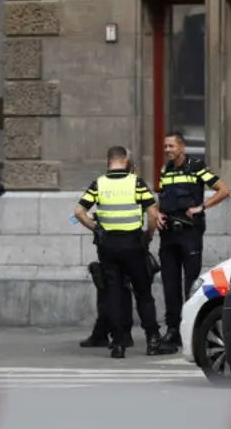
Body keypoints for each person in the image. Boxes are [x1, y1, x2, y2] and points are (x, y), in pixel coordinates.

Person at [73, 145, 175, 358]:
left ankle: (118, 344)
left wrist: (96, 228)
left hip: (108, 247)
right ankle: (153, 341)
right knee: (143, 293)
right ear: (126, 161)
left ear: (108, 161)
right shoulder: (136, 182)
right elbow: (152, 212)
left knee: (115, 294)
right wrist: (148, 235)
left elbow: (79, 211)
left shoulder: (99, 184)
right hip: (133, 244)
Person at [156, 132, 230, 347]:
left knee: (191, 283)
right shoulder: (165, 170)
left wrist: (202, 207)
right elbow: (163, 198)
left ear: (182, 147)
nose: (168, 150)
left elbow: (223, 190)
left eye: (171, 146)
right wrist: (159, 214)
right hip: (168, 233)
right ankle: (172, 329)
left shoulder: (196, 167)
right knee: (169, 284)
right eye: (165, 147)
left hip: (189, 233)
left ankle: (192, 329)